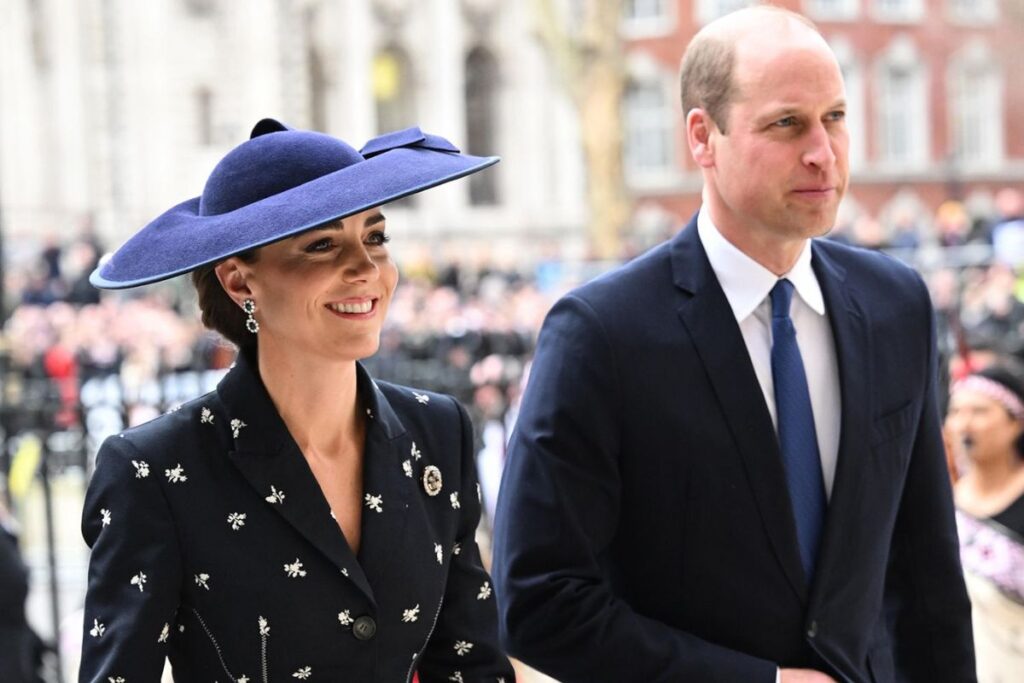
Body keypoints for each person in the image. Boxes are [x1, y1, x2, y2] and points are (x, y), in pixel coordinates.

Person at [491, 6, 975, 683]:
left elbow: (927, 580)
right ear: (702, 136)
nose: (822, 152)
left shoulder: (898, 305)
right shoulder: (602, 335)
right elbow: (538, 600)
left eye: (835, 117)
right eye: (787, 123)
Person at [79, 118, 514, 682]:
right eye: (322, 245)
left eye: (376, 237)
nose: (365, 268)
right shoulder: (155, 471)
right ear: (239, 282)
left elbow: (471, 667)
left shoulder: (438, 432)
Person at [946, 364, 1024, 682]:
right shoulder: (941, 499)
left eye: (979, 411)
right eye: (955, 411)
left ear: (1015, 422)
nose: (965, 424)